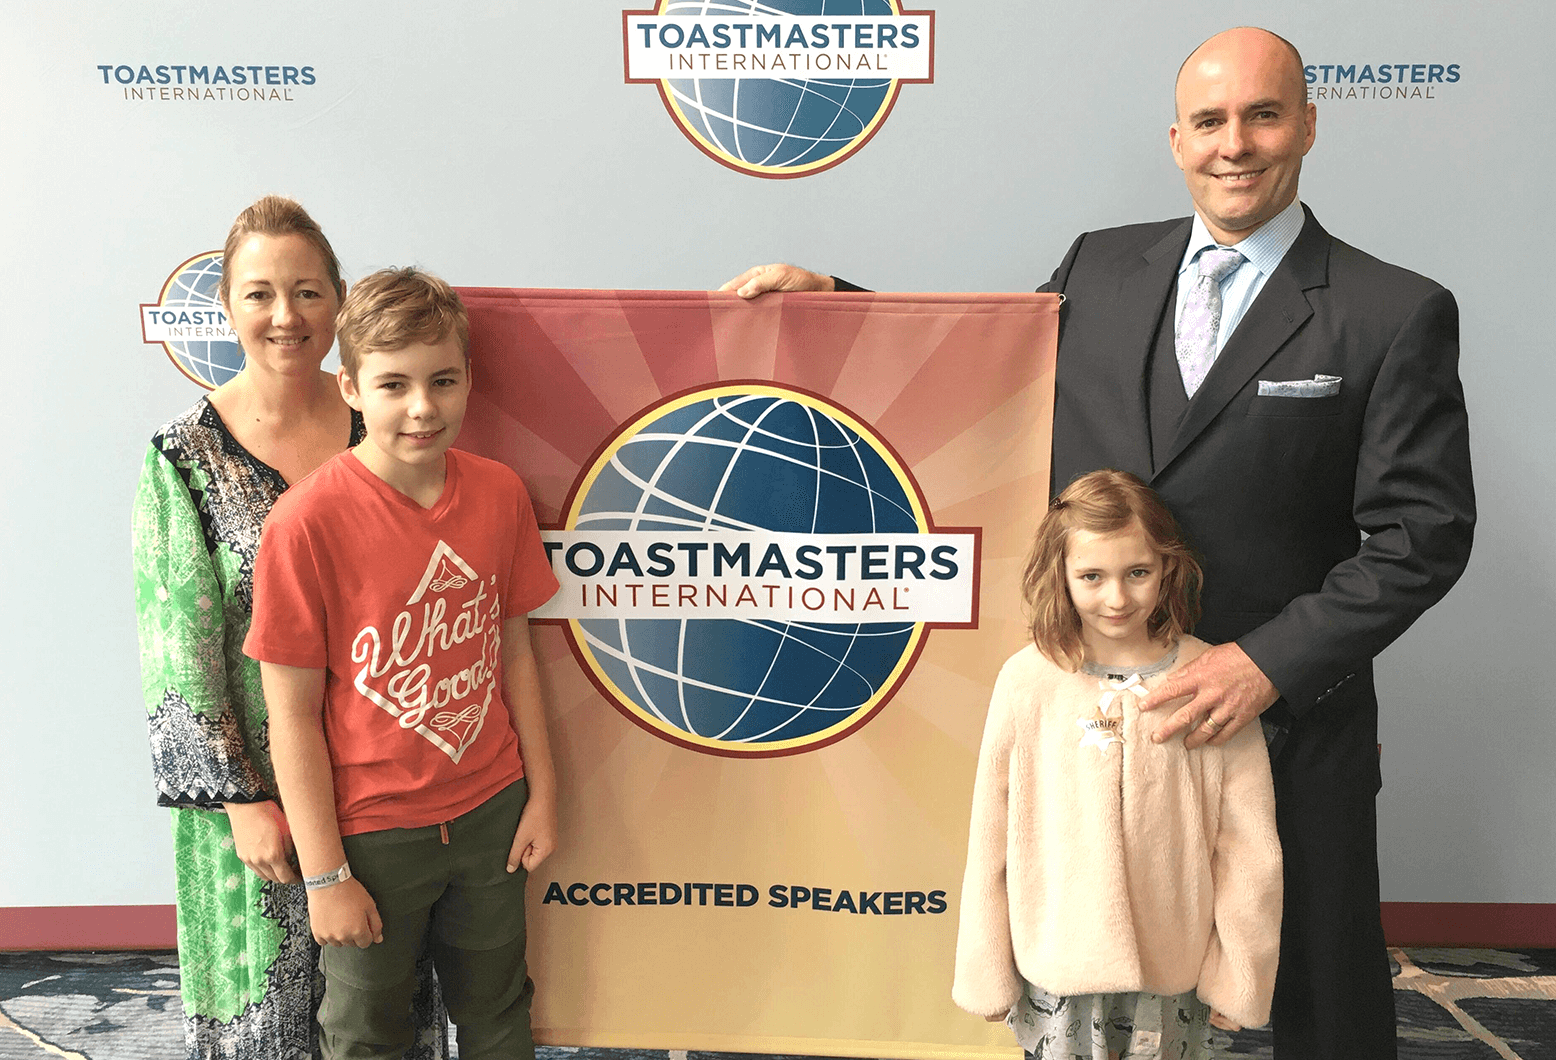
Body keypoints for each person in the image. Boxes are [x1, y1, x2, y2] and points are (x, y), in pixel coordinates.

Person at [723, 27, 1475, 1059]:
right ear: (1175, 139)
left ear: (1307, 122)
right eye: (1209, 120)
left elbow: (1420, 535)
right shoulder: (1101, 262)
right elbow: (995, 379)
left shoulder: (1393, 310)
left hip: (1285, 718)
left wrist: (1264, 667)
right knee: (1107, 990)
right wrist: (844, 315)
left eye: (1262, 114)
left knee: (1319, 984)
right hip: (1099, 721)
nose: (1235, 144)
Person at [133, 196, 447, 1060]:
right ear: (227, 307)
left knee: (382, 1015)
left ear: (340, 303)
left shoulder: (382, 430)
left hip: (379, 783)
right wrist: (239, 799)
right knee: (268, 1027)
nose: (285, 315)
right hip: (256, 807)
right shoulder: (182, 459)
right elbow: (177, 658)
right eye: (260, 292)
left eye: (308, 292)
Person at [243, 267, 560, 1060]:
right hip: (373, 835)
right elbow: (291, 714)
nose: (422, 407)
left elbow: (514, 651)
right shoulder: (304, 524)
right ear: (349, 386)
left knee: (497, 1009)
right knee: (364, 1027)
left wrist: (544, 791)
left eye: (442, 380)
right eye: (394, 384)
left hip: (492, 811)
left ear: (467, 381)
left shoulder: (498, 495)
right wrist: (324, 875)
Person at [953, 469, 1281, 1060]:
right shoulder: (1027, 683)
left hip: (1172, 965)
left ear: (1167, 568)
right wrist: (987, 968)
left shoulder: (1210, 683)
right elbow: (991, 837)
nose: (1117, 598)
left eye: (1138, 572)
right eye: (1091, 577)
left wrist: (1240, 974)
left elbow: (1248, 847)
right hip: (1057, 964)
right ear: (1061, 575)